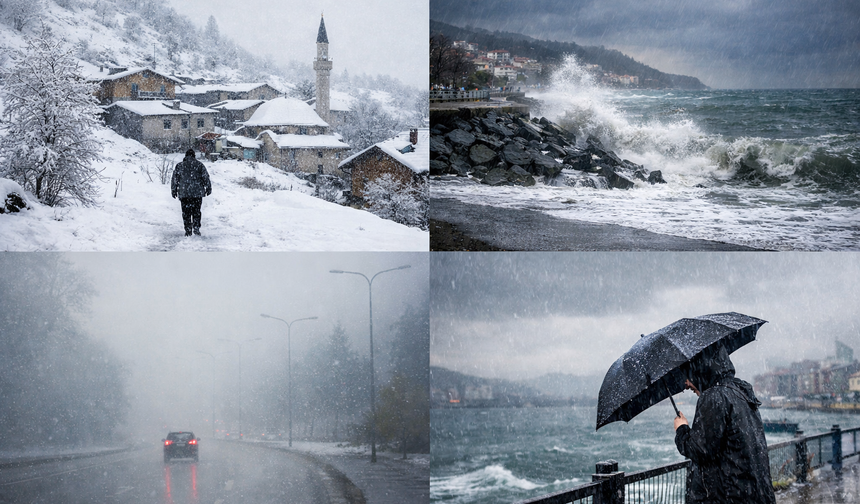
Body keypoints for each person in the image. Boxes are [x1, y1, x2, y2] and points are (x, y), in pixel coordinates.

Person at [673, 345, 776, 504]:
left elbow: (700, 450)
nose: (686, 384)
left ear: (699, 369)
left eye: (687, 375)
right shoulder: (739, 391)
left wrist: (681, 429)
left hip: (729, 497)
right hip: (753, 494)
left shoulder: (714, 397)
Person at [171, 149, 212, 236]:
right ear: (194, 156)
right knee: (196, 212)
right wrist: (208, 188)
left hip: (184, 193)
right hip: (197, 193)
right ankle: (196, 228)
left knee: (186, 213)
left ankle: (188, 230)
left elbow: (175, 179)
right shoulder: (199, 165)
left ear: (185, 156)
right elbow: (205, 177)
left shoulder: (180, 166)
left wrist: (174, 190)